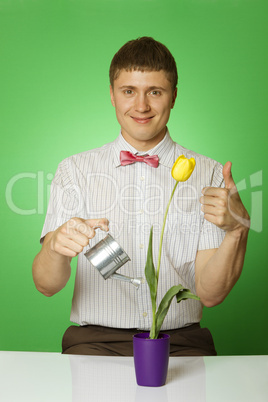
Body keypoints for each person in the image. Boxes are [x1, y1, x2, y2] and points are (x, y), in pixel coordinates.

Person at [32, 37, 250, 356]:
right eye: (129, 91)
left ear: (173, 96)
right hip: (95, 342)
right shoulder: (73, 170)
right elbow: (46, 285)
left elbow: (210, 293)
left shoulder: (210, 174)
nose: (141, 106)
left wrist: (237, 228)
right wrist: (55, 247)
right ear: (112, 94)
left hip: (181, 342)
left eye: (155, 92)